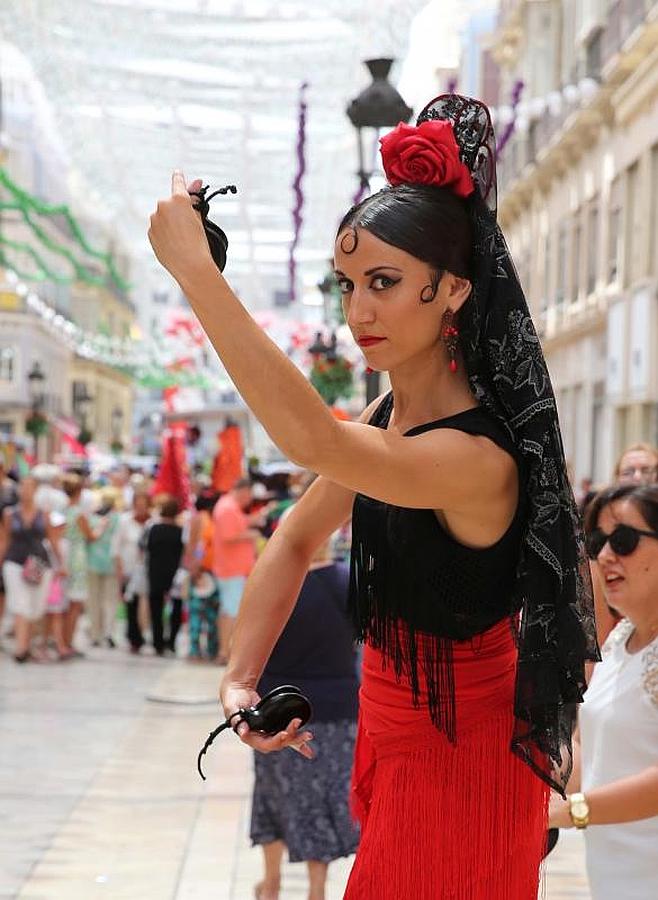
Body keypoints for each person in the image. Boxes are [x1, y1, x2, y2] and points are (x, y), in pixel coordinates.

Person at [149, 93, 598, 898]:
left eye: (384, 282)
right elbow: (292, 538)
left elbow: (312, 441)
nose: (359, 311)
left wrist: (195, 273)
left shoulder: (474, 456)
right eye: (347, 284)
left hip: (462, 759)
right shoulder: (391, 414)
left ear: (455, 289)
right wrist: (242, 680)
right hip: (393, 733)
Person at [549, 483, 658, 899]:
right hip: (615, 874)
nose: (607, 555)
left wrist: (572, 811)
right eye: (597, 542)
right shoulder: (619, 639)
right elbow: (588, 745)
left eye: (624, 540)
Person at [250, 504, 359, 900]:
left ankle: (272, 879)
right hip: (335, 706)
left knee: (272, 794)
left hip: (276, 707)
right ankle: (316, 889)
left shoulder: (271, 584)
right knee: (324, 795)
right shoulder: (346, 583)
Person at [590, 441, 658, 650]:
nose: (638, 477)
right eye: (629, 472)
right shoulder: (604, 558)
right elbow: (598, 637)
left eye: (647, 470)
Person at [0, 474, 64, 662]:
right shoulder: (10, 514)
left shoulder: (44, 514)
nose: (26, 491)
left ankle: (27, 643)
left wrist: (61, 563)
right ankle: (21, 648)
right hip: (15, 562)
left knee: (35, 607)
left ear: (35, 490)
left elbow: (53, 540)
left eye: (30, 487)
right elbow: (5, 540)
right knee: (20, 604)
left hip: (38, 563)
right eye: (23, 487)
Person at [211, 478, 259, 664]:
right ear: (243, 491)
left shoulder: (228, 507)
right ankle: (225, 651)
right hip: (231, 569)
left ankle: (226, 650)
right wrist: (252, 534)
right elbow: (228, 536)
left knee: (230, 610)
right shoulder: (227, 508)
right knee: (230, 611)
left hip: (234, 568)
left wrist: (249, 522)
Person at [62, 473, 104, 652]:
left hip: (64, 554)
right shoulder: (78, 514)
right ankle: (67, 641)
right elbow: (91, 536)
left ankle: (63, 640)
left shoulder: (61, 510)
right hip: (77, 557)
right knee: (75, 603)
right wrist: (101, 526)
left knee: (65, 603)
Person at [144, 496, 183, 656]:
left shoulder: (154, 529)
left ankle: (158, 642)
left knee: (156, 609)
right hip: (174, 574)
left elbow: (148, 549)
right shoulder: (180, 532)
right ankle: (172, 641)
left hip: (155, 573)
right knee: (176, 608)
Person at [184, 491, 221, 661]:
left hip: (217, 571)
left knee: (213, 614)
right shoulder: (201, 518)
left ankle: (212, 648)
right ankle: (194, 648)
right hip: (201, 570)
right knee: (197, 612)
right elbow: (193, 544)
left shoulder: (218, 519)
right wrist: (193, 567)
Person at [114, 492, 152, 653]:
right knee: (131, 603)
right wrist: (119, 568)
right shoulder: (124, 521)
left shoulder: (153, 522)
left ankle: (145, 632)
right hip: (129, 569)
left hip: (148, 570)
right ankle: (133, 637)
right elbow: (116, 545)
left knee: (147, 603)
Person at [86, 488, 121, 648]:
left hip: (96, 563)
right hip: (108, 563)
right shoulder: (117, 519)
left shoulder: (94, 518)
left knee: (95, 600)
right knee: (109, 600)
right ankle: (107, 632)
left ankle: (97, 633)